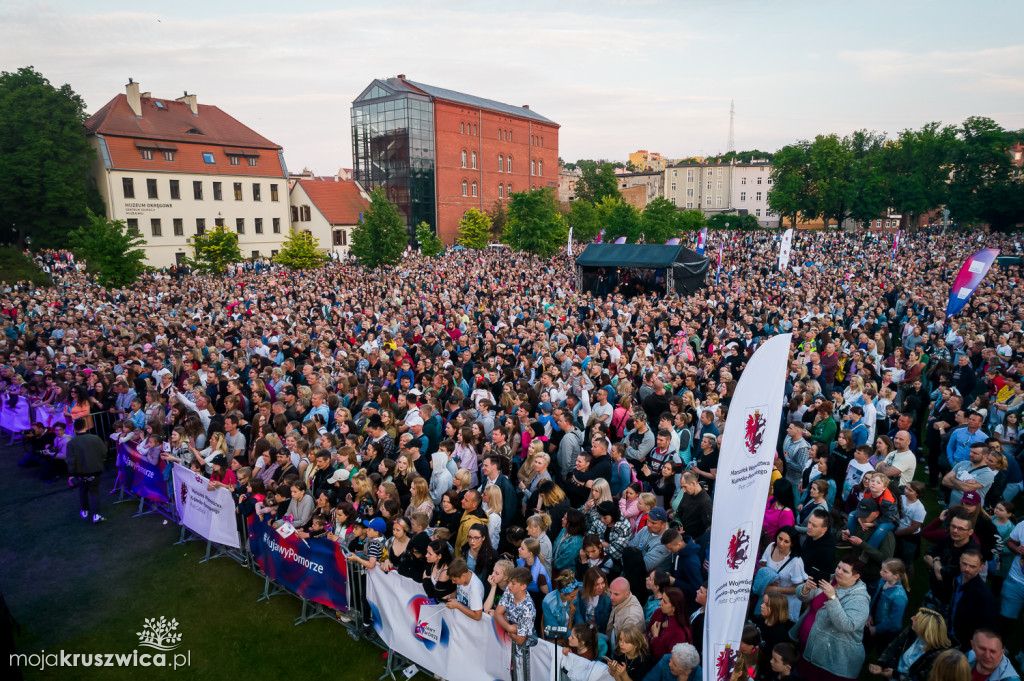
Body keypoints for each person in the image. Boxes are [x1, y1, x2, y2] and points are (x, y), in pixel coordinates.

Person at [794, 556, 871, 681]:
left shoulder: (859, 598)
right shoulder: (830, 580)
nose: (839, 571)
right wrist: (805, 588)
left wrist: (832, 598)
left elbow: (847, 625)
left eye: (845, 571)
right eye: (839, 567)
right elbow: (803, 597)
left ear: (856, 577)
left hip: (830, 662)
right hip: (808, 650)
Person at [870, 607, 953, 681]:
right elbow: (893, 646)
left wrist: (896, 675)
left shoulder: (939, 657)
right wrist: (881, 664)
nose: (912, 618)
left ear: (924, 630)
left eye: (916, 619)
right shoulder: (912, 632)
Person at [495, 567, 538, 680]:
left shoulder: (528, 608)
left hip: (523, 652)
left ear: (523, 586)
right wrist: (510, 627)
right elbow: (497, 613)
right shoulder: (509, 591)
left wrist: (504, 621)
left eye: (513, 583)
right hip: (507, 646)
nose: (509, 585)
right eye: (509, 581)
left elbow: (520, 640)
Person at [66, 417, 107, 524]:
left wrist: (71, 475)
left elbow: (71, 460)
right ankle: (96, 515)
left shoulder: (72, 443)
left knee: (82, 490)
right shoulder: (96, 438)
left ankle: (84, 510)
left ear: (74, 429)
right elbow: (104, 452)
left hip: (80, 472)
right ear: (85, 427)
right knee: (94, 492)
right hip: (95, 470)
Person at [644, 587, 691, 660]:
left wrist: (655, 637)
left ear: (674, 608)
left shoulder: (679, 632)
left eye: (665, 602)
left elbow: (668, 659)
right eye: (662, 599)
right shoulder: (658, 612)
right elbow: (647, 631)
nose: (660, 603)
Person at [607, 576, 645, 643]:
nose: (611, 597)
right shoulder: (622, 599)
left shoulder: (632, 617)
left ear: (627, 594)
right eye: (610, 592)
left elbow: (627, 644)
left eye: (616, 594)